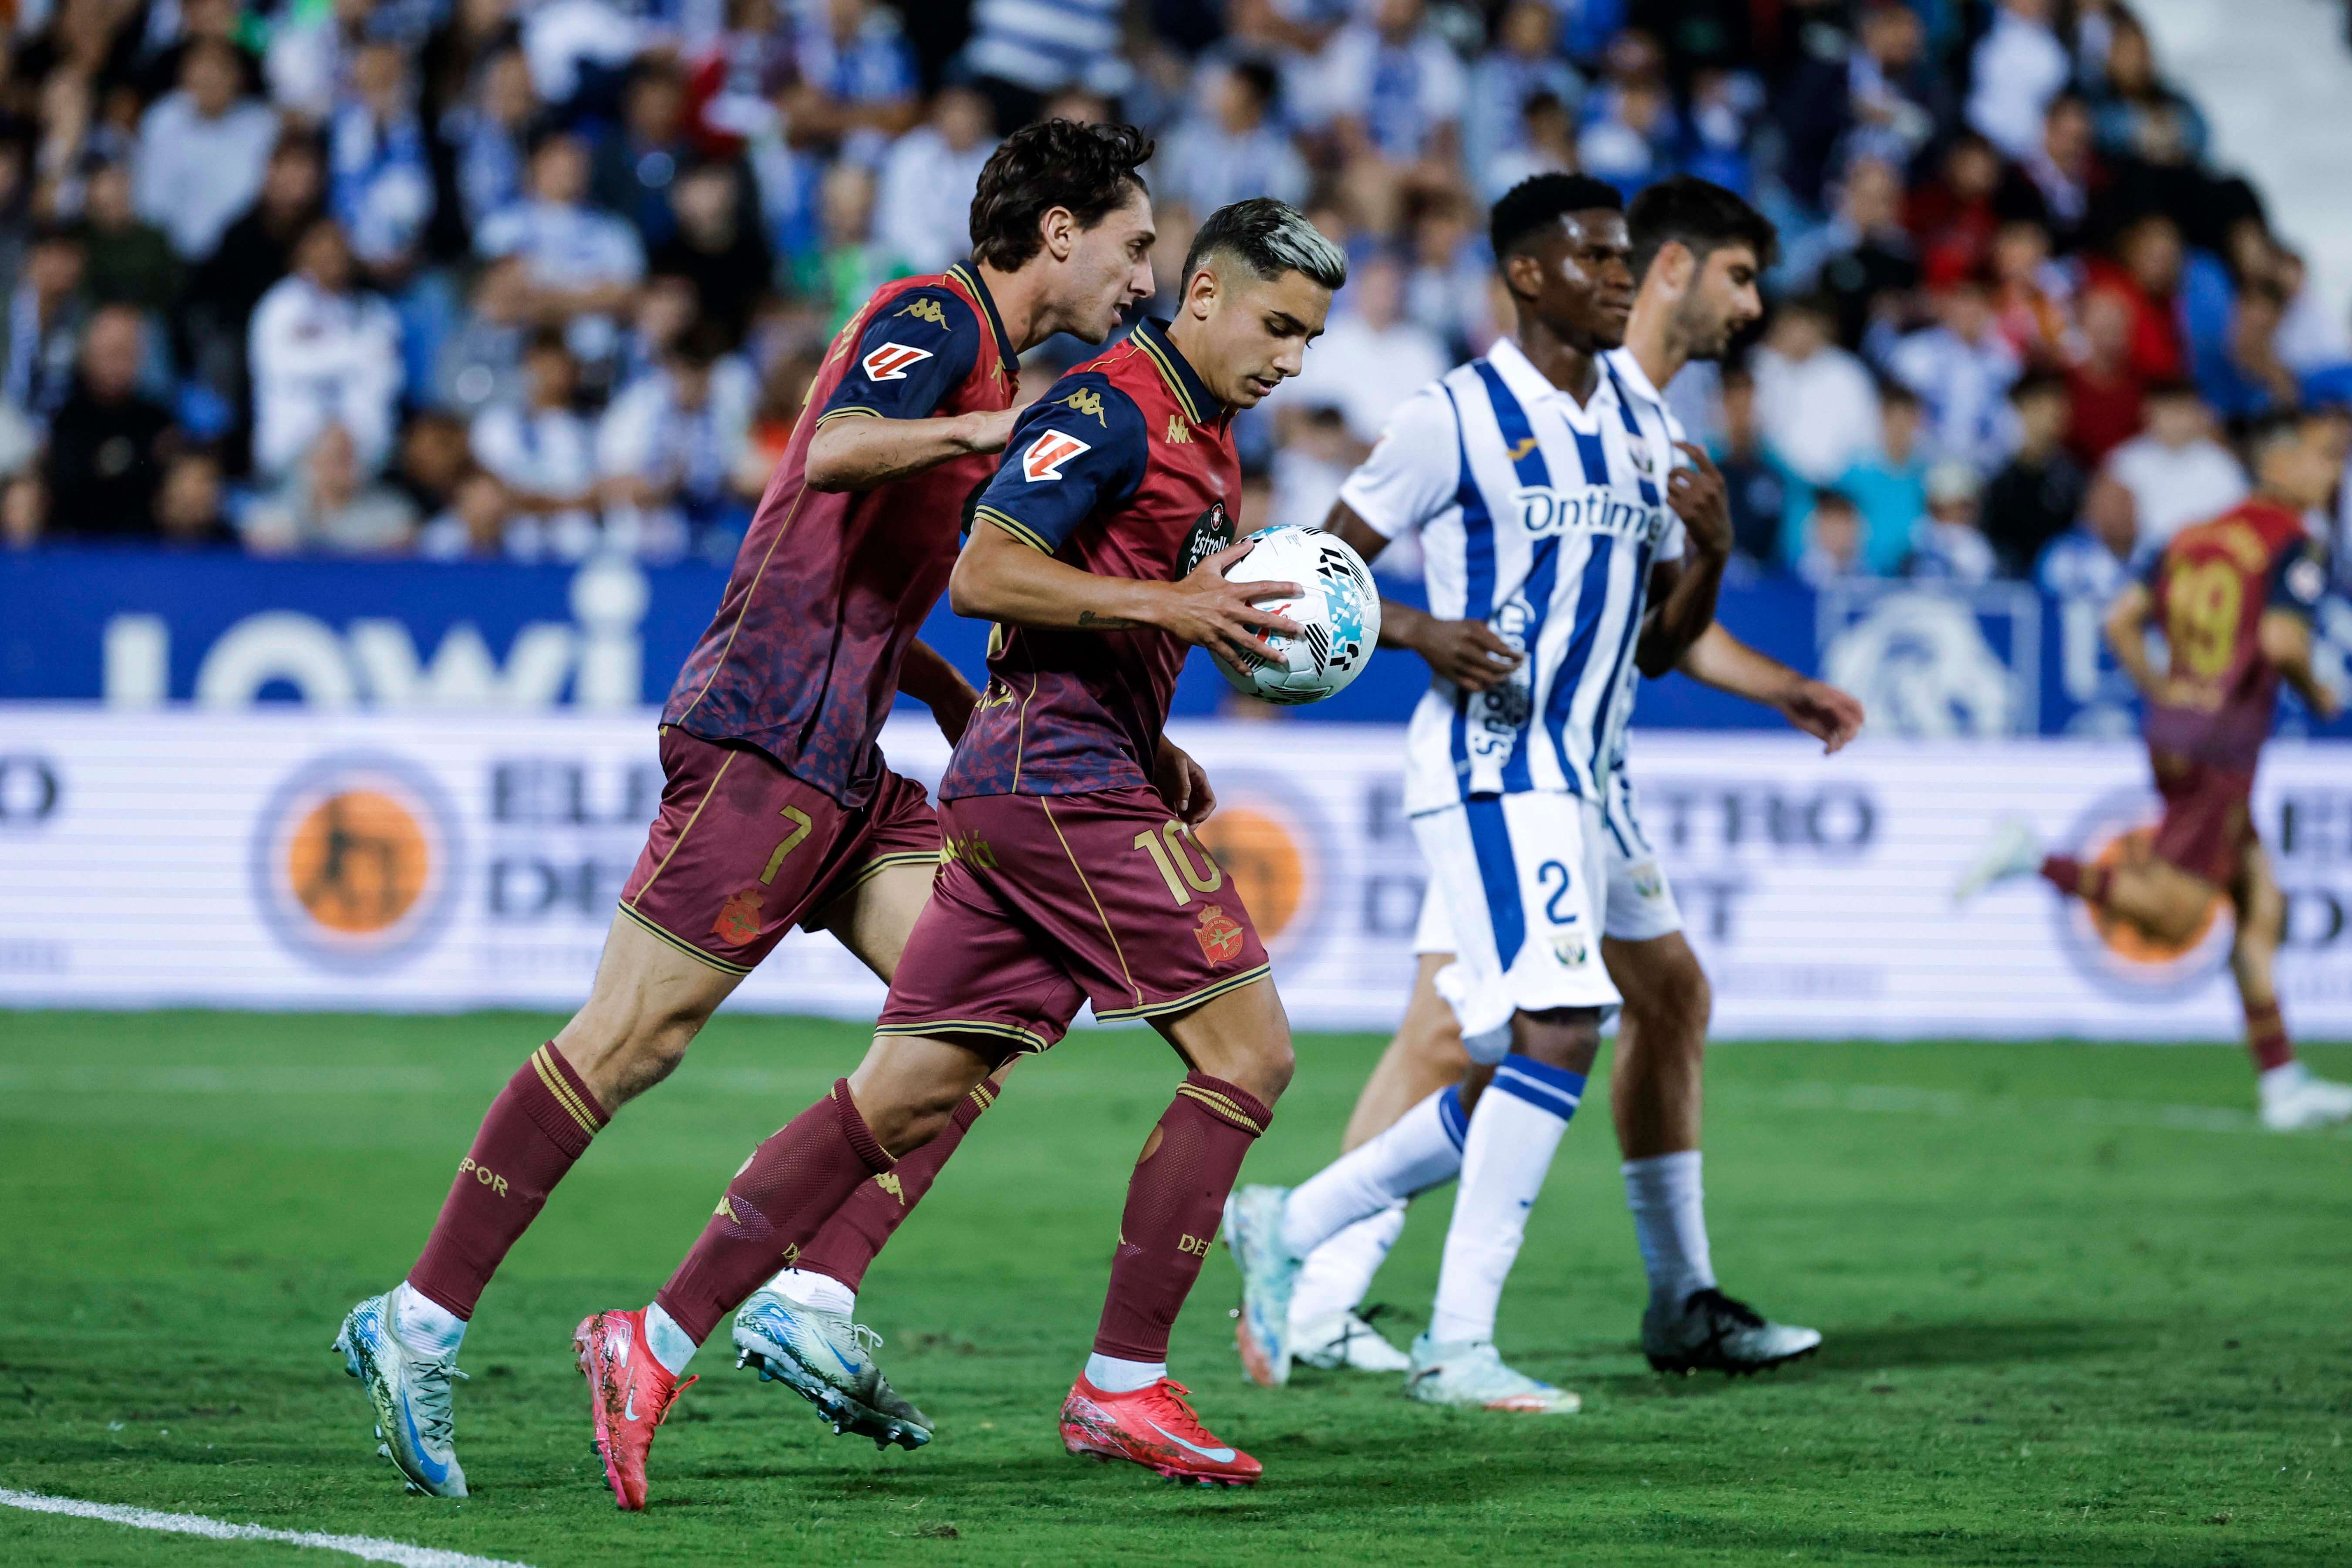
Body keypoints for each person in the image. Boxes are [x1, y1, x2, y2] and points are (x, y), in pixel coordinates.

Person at [330, 118, 1159, 1501]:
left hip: (848, 765)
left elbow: (866, 576)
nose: (1143, 277)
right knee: (629, 1041)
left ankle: (812, 1296)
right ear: (1059, 231)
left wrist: (945, 692)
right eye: (1133, 245)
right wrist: (979, 429)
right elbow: (832, 450)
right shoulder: (932, 316)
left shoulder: (995, 366)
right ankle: (418, 1320)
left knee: (994, 1007)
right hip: (762, 741)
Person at [569, 197, 1345, 1500]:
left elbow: (1072, 620)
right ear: (1204, 294)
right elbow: (984, 575)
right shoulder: (1110, 407)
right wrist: (1170, 612)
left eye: (1310, 339)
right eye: (1276, 325)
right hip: (1057, 785)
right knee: (1247, 1051)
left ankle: (647, 1342)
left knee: (905, 1098)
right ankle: (1122, 1384)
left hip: (1057, 773)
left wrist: (1152, 734)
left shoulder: (1204, 436)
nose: (1292, 358)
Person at [1224, 175, 1860, 1400]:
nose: (1620, 278)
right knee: (1554, 1029)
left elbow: (1659, 644)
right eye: (1598, 258)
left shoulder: (1641, 425)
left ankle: (1299, 1230)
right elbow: (1315, 572)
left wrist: (1713, 552)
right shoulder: (1451, 417)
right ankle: (1449, 1338)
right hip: (1496, 759)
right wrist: (1421, 630)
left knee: (1540, 1043)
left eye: (1626, 259)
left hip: (1589, 776)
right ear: (1527, 274)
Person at [1958, 409, 2352, 1133]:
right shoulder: (2292, 541)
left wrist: (2163, 690)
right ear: (2279, 462)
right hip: (2223, 746)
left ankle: (2281, 1079)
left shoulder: (2190, 534)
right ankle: (2034, 860)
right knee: (2175, 915)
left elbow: (2119, 619)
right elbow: (2280, 640)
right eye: (2324, 458)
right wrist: (2320, 692)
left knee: (2261, 904)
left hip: (2174, 731)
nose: (2334, 474)